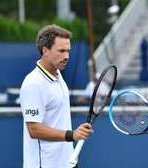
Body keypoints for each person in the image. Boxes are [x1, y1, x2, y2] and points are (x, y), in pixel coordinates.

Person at [20, 25, 93, 168]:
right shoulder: (33, 83)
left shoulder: (58, 74)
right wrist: (72, 135)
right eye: (61, 51)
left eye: (68, 51)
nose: (66, 56)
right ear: (45, 51)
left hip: (67, 163)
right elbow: (34, 130)